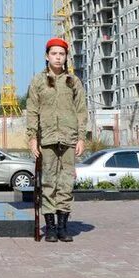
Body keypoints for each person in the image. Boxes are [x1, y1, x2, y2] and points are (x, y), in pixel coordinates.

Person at [25, 37, 87, 242]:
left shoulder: (73, 81)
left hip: (69, 138)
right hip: (47, 138)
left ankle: (63, 226)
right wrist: (32, 138)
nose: (58, 58)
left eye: (61, 54)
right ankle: (50, 227)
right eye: (54, 54)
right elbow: (32, 111)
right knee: (48, 182)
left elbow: (81, 111)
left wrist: (81, 138)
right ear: (47, 56)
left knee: (66, 183)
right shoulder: (38, 81)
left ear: (66, 56)